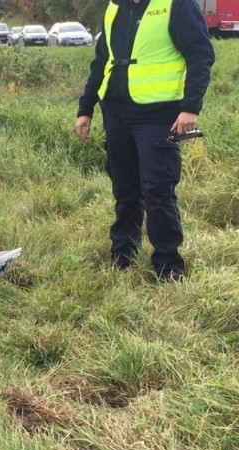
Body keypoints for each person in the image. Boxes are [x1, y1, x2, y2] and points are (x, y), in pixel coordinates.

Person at [75, 0, 214, 282]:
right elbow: (101, 62)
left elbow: (200, 54)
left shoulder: (175, 5)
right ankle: (123, 254)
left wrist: (191, 107)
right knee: (124, 189)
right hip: (115, 112)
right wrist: (85, 108)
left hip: (157, 115)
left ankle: (168, 266)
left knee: (157, 190)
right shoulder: (115, 8)